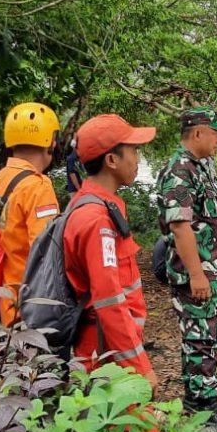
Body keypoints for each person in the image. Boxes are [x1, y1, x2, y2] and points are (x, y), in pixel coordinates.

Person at [65, 114, 159, 391]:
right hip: (105, 353)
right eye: (134, 150)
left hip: (110, 347)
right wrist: (140, 367)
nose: (138, 160)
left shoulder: (97, 205)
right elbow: (109, 300)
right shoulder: (97, 220)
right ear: (111, 160)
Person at [156, 106, 217, 428]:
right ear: (198, 132)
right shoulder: (180, 169)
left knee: (206, 334)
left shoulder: (201, 166)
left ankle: (200, 394)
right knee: (200, 337)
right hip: (195, 273)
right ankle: (202, 404)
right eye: (215, 132)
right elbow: (180, 227)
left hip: (208, 269)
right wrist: (196, 274)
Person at [0, 103, 61, 327]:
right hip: (32, 305)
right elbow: (46, 253)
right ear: (50, 143)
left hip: (3, 301)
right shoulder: (38, 187)